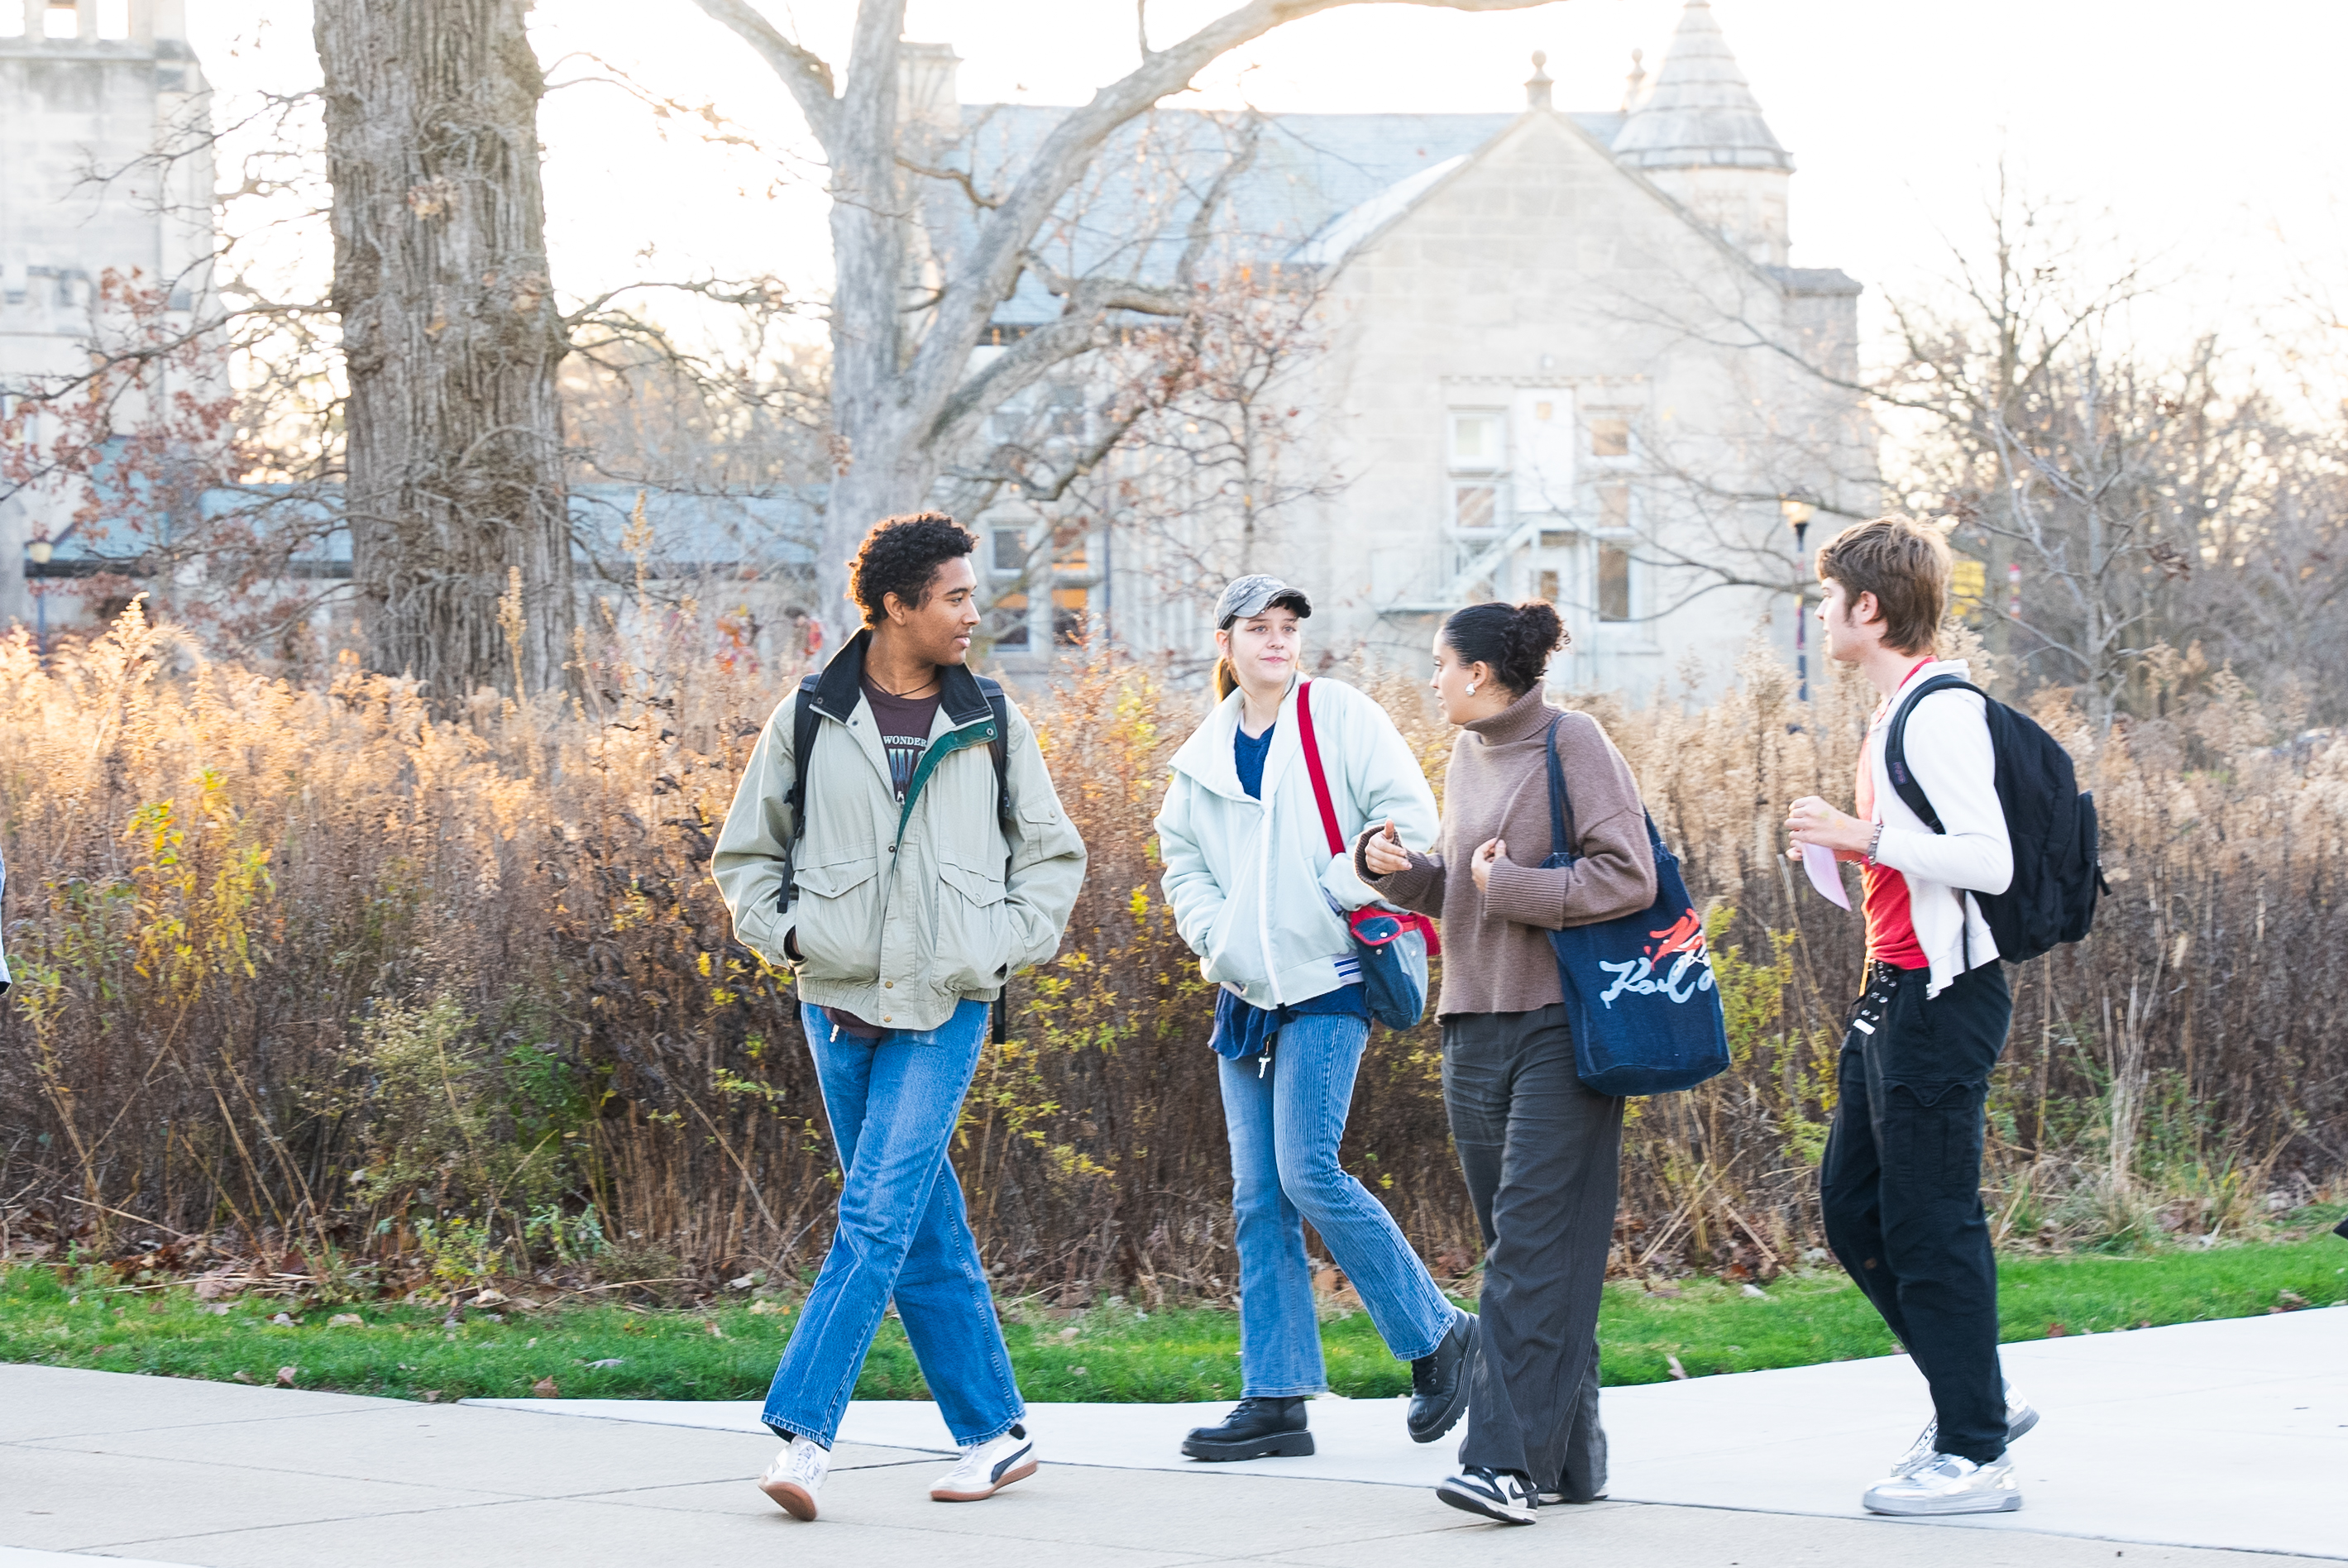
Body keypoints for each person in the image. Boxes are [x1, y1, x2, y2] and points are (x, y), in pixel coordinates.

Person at [712, 512, 1087, 1522]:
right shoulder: (806, 715)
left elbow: (1053, 858)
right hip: (835, 1003)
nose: (976, 615)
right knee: (918, 1223)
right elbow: (745, 856)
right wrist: (789, 939)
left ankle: (802, 1436)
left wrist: (996, 946)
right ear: (895, 605)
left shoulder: (995, 721)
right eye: (957, 598)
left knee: (875, 1215)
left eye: (974, 596)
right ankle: (996, 1434)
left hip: (944, 1005)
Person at [1153, 573, 1475, 1462]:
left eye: (1289, 626)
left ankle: (1440, 1334)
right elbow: (1182, 862)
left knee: (1308, 1172)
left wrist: (1351, 876)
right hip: (1245, 995)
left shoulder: (1337, 715)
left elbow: (1407, 819)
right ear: (1226, 643)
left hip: (1330, 976)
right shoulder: (1202, 755)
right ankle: (1277, 1398)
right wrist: (1216, 938)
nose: (1277, 641)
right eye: (1257, 627)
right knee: (1258, 1199)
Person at [1356, 600, 1656, 1526]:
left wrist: (1513, 886)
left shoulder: (1575, 745)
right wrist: (1401, 874)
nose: (1432, 679)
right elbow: (1463, 887)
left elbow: (1629, 874)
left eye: (1439, 664)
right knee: (1528, 1249)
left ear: (1480, 673)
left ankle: (1501, 1464)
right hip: (1471, 1025)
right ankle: (1574, 1451)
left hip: (1560, 1030)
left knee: (1527, 1252)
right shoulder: (1465, 752)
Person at [1783, 514, 2033, 1518]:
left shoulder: (1937, 711)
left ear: (1869, 608)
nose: (1819, 613)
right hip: (1890, 991)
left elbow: (1989, 860)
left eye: (1826, 598)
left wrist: (1863, 834)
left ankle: (1974, 1451)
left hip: (1942, 996)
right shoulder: (1893, 712)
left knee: (1930, 1221)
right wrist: (1853, 846)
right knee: (1853, 1210)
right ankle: (1976, 1395)